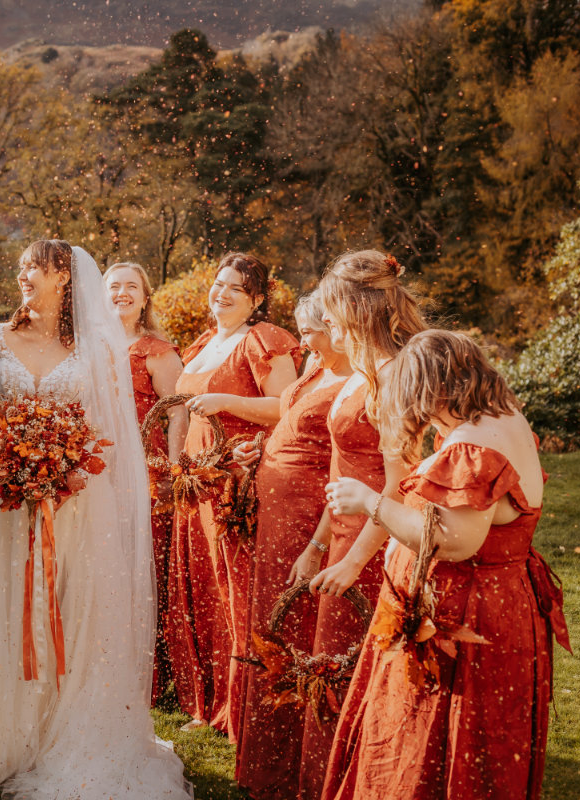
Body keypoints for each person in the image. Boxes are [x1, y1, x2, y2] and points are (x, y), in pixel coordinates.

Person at [0, 240, 192, 799]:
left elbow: (113, 434)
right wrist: (6, 458)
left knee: (77, 609)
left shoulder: (98, 347)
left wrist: (62, 470)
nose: (21, 278)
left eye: (30, 269)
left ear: (62, 276)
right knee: (5, 607)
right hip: (5, 505)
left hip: (79, 502)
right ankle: (10, 735)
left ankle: (70, 730)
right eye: (19, 270)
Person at [321, 330, 569, 800]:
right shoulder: (502, 417)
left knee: (438, 745)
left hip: (467, 619)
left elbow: (454, 542)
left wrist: (371, 501)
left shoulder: (474, 446)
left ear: (432, 390)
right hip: (497, 606)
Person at [293, 250, 426, 798]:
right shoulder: (361, 371)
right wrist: (323, 540)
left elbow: (402, 483)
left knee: (362, 677)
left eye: (330, 315)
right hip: (347, 532)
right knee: (335, 668)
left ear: (355, 311)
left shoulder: (394, 373)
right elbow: (344, 466)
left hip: (379, 541)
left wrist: (352, 560)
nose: (325, 325)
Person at [167, 252, 299, 735]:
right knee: (203, 586)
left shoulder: (265, 340)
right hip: (198, 478)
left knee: (235, 586)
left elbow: (289, 407)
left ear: (257, 299)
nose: (220, 293)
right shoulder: (206, 342)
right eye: (218, 283)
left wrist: (228, 402)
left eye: (235, 289)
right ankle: (208, 699)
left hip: (237, 478)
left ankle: (247, 704)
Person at [232, 293, 351, 799]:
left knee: (299, 631)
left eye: (311, 330)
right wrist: (259, 450)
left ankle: (300, 761)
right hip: (277, 519)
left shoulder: (357, 382)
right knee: (272, 627)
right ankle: (269, 761)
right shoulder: (315, 369)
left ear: (338, 324)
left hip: (307, 521)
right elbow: (292, 425)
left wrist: (317, 544)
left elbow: (345, 465)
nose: (302, 341)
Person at [105, 261, 186, 705]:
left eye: (130, 286)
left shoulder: (157, 351)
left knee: (144, 569)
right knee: (102, 570)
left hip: (145, 475)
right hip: (95, 476)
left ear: (145, 296)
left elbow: (178, 412)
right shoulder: (83, 347)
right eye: (113, 286)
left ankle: (148, 675)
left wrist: (173, 471)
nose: (121, 293)